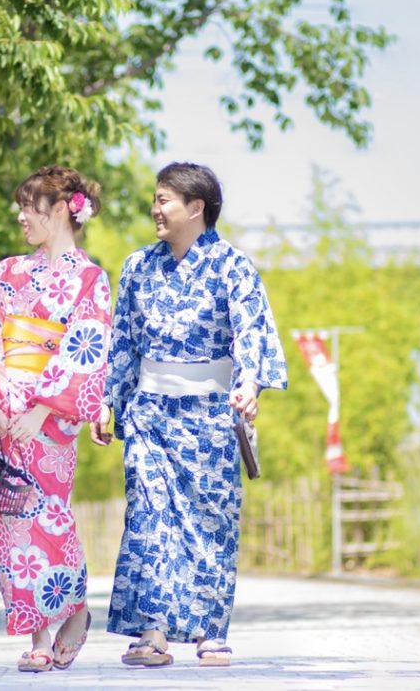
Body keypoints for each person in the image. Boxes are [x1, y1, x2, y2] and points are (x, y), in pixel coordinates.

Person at [93, 162, 287, 668]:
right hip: (149, 414)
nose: (155, 209)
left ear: (196, 207)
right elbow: (124, 341)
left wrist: (250, 383)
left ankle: (208, 630)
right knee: (149, 519)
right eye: (155, 199)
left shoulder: (233, 267)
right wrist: (109, 400)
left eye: (164, 200)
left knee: (209, 523)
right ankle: (152, 634)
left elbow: (253, 331)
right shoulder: (137, 267)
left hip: (209, 417)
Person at [0, 166, 111, 673]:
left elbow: (85, 349)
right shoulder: (7, 272)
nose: (22, 216)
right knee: (7, 522)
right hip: (1, 413)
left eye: (31, 207)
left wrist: (43, 408)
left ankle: (76, 608)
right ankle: (37, 632)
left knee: (47, 517)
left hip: (50, 418)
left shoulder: (90, 279)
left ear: (65, 208)